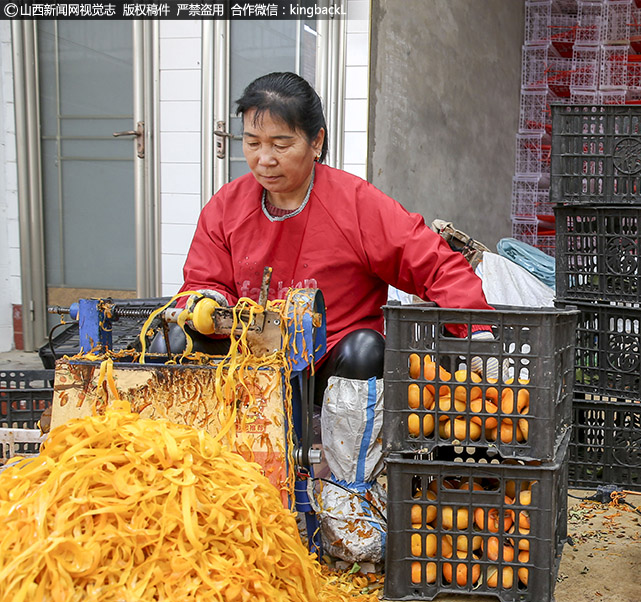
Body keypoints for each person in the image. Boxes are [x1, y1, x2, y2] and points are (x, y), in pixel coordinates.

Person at [172, 71, 491, 394]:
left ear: (316, 142)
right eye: (253, 143)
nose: (264, 159)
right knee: (173, 339)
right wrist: (207, 300)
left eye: (281, 144)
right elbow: (204, 280)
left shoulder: (355, 203)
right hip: (247, 359)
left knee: (366, 350)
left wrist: (475, 330)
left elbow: (431, 262)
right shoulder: (227, 205)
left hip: (331, 360)